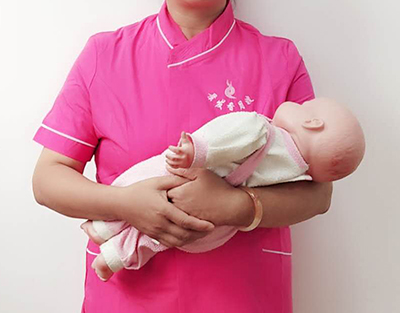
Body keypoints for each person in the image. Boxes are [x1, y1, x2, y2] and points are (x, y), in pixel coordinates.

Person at [32, 0, 333, 313]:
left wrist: (238, 207)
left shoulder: (279, 60)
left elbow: (317, 193)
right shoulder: (105, 56)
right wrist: (125, 205)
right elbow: (48, 180)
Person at [82, 98, 364, 282]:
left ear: (313, 123)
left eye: (304, 106)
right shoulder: (294, 175)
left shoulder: (263, 129)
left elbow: (226, 135)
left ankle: (105, 227)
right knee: (160, 234)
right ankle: (114, 257)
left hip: (191, 174)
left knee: (143, 181)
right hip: (213, 224)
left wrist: (196, 150)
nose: (296, 104)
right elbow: (309, 198)